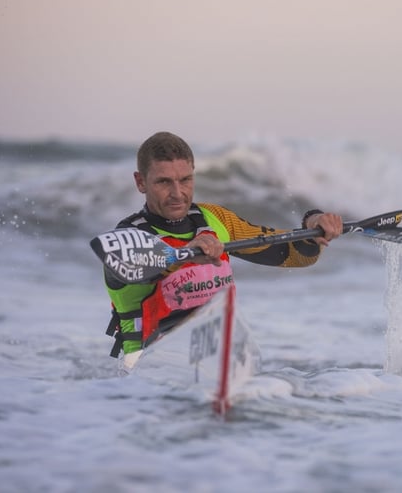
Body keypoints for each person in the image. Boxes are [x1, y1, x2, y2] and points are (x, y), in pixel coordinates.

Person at [104, 131, 343, 359]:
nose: (177, 193)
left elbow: (294, 255)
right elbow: (133, 266)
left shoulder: (215, 220)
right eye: (164, 182)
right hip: (144, 373)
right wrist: (187, 256)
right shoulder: (127, 237)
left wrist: (312, 226)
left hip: (217, 355)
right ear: (140, 182)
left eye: (185, 180)